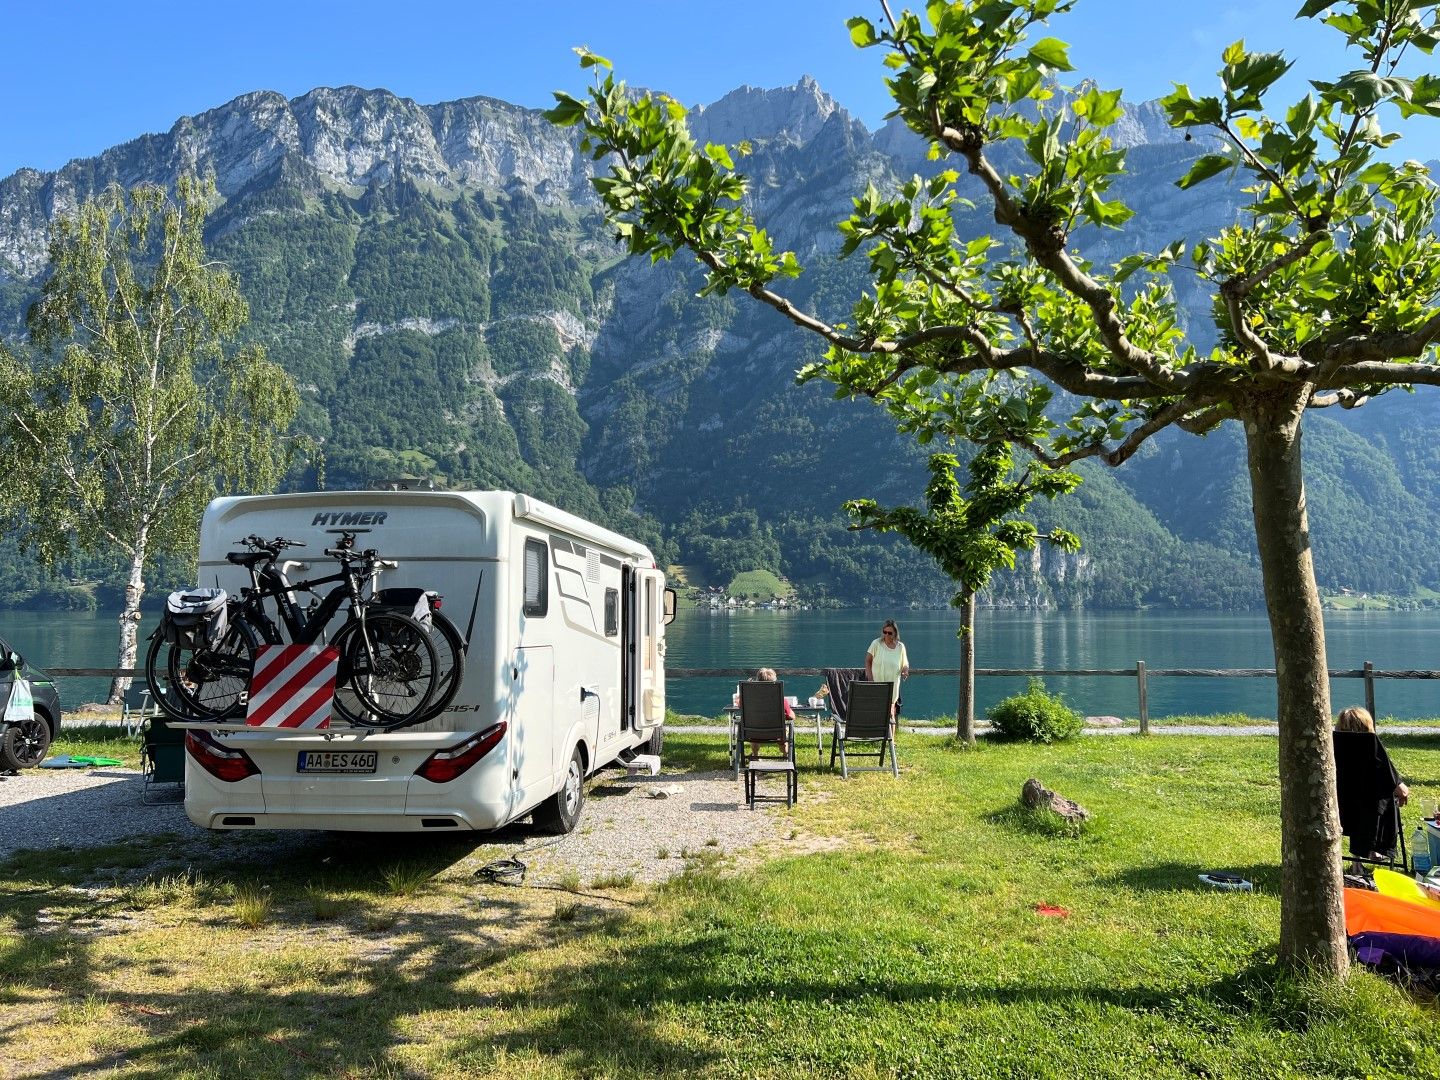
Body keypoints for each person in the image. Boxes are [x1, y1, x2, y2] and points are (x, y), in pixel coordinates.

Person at [1333, 705, 1409, 864]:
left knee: (1362, 800)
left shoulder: (1334, 744)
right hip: (1369, 811)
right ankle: (1376, 849)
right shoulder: (1371, 744)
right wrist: (1402, 791)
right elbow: (1393, 782)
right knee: (1384, 800)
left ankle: (1357, 861)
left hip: (1341, 807)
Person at [865, 619, 909, 722]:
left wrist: (905, 670)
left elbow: (905, 663)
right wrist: (870, 679)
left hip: (893, 686)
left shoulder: (900, 647)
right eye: (885, 632)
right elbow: (867, 661)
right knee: (877, 712)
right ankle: (879, 735)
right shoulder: (876, 644)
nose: (887, 635)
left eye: (890, 633)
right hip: (877, 684)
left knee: (890, 714)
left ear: (895, 633)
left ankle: (891, 738)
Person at [749, 667, 793, 759]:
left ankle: (755, 756)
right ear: (774, 683)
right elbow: (791, 716)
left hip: (754, 732)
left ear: (757, 681)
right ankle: (786, 756)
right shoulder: (780, 699)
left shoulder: (749, 699)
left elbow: (740, 705)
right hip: (776, 733)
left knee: (752, 726)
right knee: (784, 730)